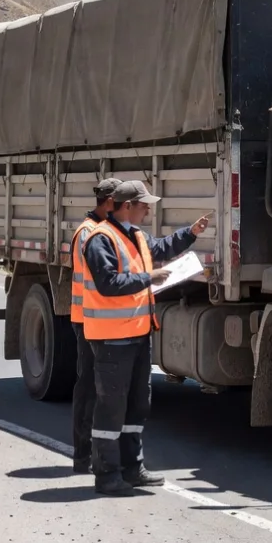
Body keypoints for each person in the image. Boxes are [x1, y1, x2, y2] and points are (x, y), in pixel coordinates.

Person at [81, 180, 209, 495]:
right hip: (112, 339)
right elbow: (108, 283)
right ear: (127, 206)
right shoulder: (101, 239)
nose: (148, 211)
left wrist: (190, 233)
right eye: (144, 205)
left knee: (137, 404)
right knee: (112, 407)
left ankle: (132, 468)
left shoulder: (135, 235)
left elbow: (161, 249)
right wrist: (148, 278)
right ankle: (107, 475)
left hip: (137, 335)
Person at [69, 177, 121, 475]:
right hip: (88, 319)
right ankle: (82, 455)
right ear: (110, 202)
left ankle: (94, 454)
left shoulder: (101, 230)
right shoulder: (89, 233)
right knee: (89, 388)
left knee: (98, 388)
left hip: (96, 318)